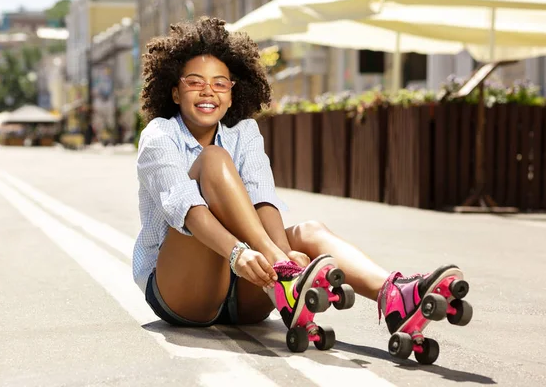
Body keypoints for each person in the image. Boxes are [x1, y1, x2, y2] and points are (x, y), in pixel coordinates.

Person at [132, 17, 468, 349]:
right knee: (213, 159)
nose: (208, 91)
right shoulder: (159, 136)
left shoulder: (244, 132)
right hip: (184, 290)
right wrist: (241, 254)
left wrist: (281, 255)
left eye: (220, 83)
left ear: (233, 95)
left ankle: (395, 297)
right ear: (175, 92)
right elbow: (187, 210)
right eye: (194, 82)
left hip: (250, 287)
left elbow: (263, 197)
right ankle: (285, 274)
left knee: (309, 231)